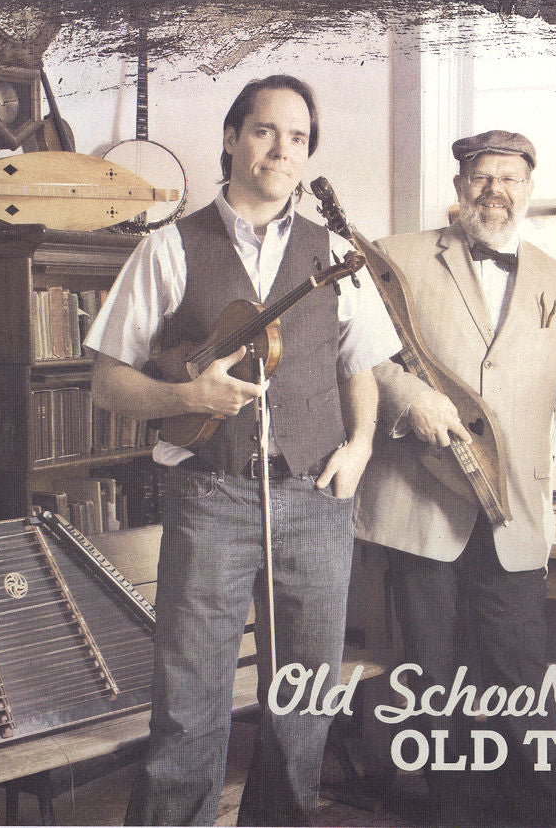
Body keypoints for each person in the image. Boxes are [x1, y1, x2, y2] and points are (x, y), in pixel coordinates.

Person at [85, 74, 400, 826]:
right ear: (231, 138)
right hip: (209, 498)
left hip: (315, 499)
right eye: (265, 130)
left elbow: (360, 364)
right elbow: (108, 383)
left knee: (304, 702)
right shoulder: (168, 247)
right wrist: (187, 398)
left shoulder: (335, 252)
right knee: (189, 706)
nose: (282, 150)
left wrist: (360, 445)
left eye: (298, 138)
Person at [355, 129, 556, 828]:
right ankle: (453, 816)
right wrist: (410, 398)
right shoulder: (395, 256)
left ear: (529, 190)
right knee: (432, 679)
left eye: (509, 178)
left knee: (518, 674)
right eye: (481, 176)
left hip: (514, 512)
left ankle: (546, 815)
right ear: (459, 186)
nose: (494, 190)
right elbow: (356, 351)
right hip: (420, 506)